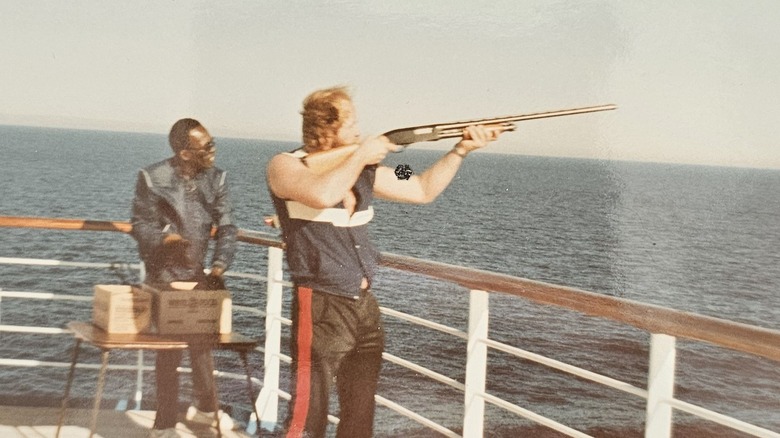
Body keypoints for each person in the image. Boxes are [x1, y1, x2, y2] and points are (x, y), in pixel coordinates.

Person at [266, 86, 500, 438]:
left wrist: (460, 150)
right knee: (306, 414)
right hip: (321, 305)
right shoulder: (286, 165)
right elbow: (322, 193)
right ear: (324, 128)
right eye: (352, 123)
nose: (360, 130)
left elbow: (420, 186)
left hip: (364, 309)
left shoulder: (369, 169)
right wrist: (361, 155)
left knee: (360, 414)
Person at [131, 118, 238, 438]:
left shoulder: (216, 179)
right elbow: (141, 224)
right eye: (206, 146)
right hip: (163, 275)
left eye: (212, 141)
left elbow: (228, 226)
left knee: (202, 344)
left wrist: (218, 266)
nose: (213, 149)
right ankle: (164, 422)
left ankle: (206, 409)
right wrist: (166, 240)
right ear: (185, 153)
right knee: (169, 349)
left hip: (199, 273)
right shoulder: (152, 178)